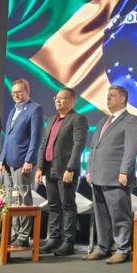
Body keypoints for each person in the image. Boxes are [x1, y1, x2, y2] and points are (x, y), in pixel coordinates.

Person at [85, 85, 137, 264]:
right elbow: (94, 148)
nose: (108, 98)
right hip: (98, 175)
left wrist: (124, 171)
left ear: (122, 98)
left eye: (112, 95)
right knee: (101, 215)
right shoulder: (103, 121)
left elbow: (131, 149)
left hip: (116, 176)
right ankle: (102, 247)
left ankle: (122, 249)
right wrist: (89, 169)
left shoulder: (131, 120)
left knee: (119, 215)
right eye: (107, 95)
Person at [36, 88, 88, 256]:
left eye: (62, 98)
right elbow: (43, 145)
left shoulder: (77, 119)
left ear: (72, 100)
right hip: (49, 168)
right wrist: (40, 167)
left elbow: (78, 145)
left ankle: (68, 242)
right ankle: (54, 239)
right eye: (56, 98)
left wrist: (71, 168)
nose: (58, 101)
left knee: (67, 205)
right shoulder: (51, 119)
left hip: (65, 169)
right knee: (53, 205)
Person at [0, 78, 44, 248]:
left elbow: (36, 137)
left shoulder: (35, 109)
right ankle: (14, 233)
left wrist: (29, 160)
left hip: (22, 160)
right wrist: (2, 159)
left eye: (19, 92)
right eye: (13, 93)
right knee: (11, 198)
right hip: (8, 160)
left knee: (23, 198)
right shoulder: (12, 111)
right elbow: (8, 137)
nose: (16, 95)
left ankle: (23, 236)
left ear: (27, 91)